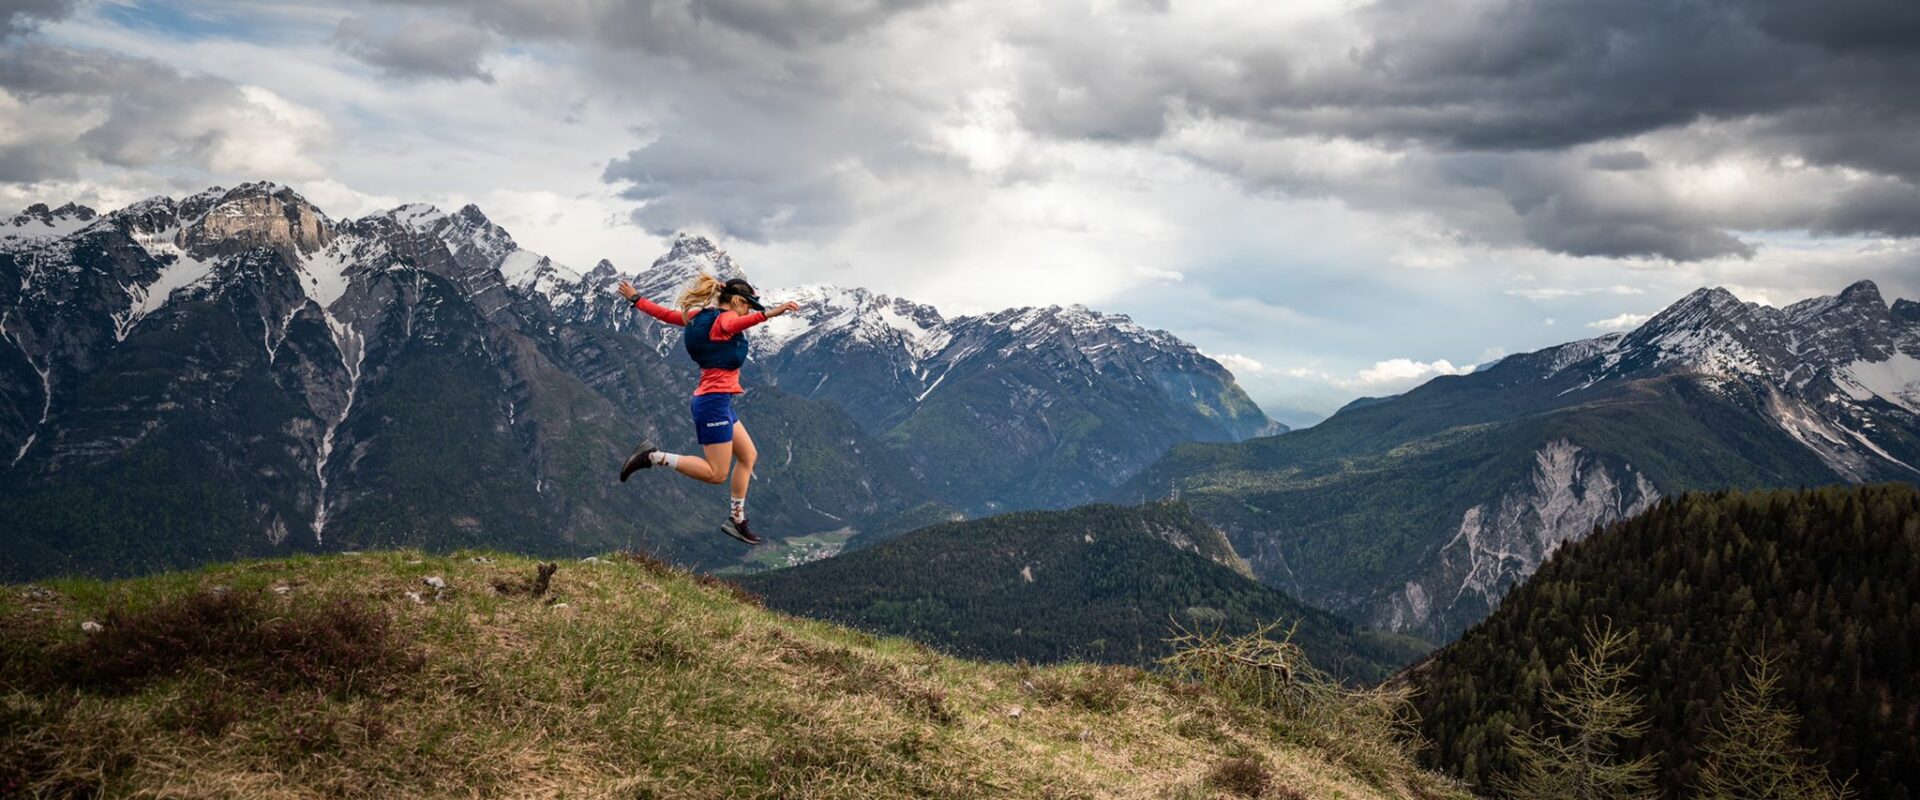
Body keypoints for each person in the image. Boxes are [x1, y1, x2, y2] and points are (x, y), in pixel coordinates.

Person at [615, 274, 800, 545]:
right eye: (748, 305)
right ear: (737, 301)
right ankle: (652, 457)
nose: (749, 311)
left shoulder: (698, 316)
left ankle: (736, 521)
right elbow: (740, 321)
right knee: (717, 474)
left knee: (748, 455)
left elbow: (665, 315)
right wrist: (773, 313)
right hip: (713, 403)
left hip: (717, 400)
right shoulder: (725, 321)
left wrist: (637, 299)